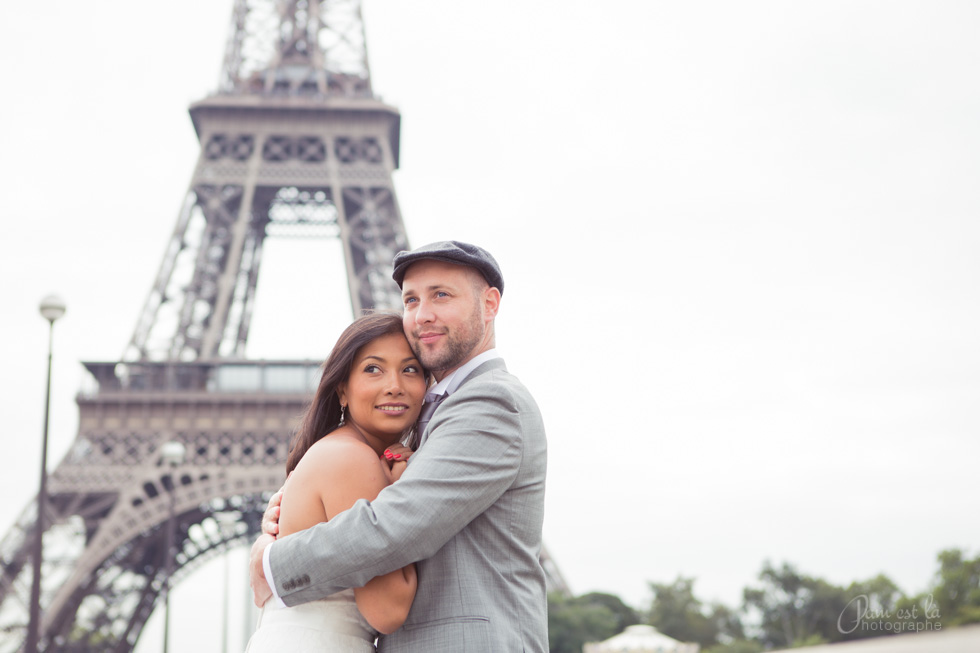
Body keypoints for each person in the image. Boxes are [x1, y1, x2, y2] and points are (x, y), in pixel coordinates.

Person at [250, 240, 549, 652]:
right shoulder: (397, 433)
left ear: (490, 303)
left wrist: (271, 561)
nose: (423, 313)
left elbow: (390, 527)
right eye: (411, 299)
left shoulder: (489, 402)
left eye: (441, 294)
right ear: (343, 388)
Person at [245, 312, 425, 652]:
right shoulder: (351, 459)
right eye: (373, 368)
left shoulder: (336, 451)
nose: (395, 385)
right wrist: (403, 494)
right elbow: (388, 608)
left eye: (410, 369)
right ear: (342, 389)